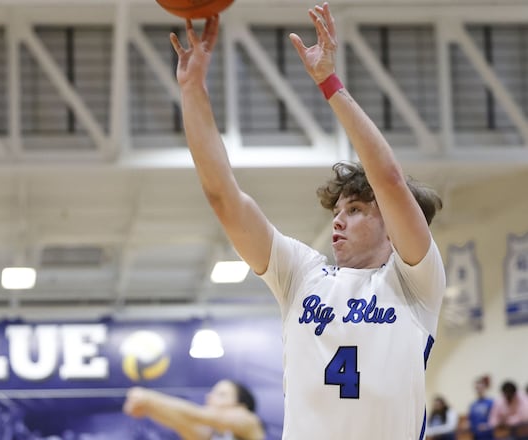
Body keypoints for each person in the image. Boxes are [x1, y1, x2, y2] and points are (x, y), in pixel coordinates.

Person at [167, 2, 444, 438]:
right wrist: (192, 89)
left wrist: (329, 83)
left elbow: (388, 180)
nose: (338, 222)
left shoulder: (416, 283)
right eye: (337, 212)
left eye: (355, 210)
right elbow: (224, 198)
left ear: (391, 224)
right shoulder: (301, 274)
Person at [123, 379, 265, 440]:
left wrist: (148, 397)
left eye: (221, 395)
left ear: (241, 406)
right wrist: (149, 408)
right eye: (212, 392)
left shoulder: (249, 422)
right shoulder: (213, 435)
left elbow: (196, 415)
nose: (210, 397)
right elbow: (180, 422)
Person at [468, 375, 495, 440]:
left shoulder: (491, 402)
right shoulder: (473, 405)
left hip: (489, 436)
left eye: (481, 388)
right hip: (476, 436)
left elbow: (495, 420)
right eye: (477, 388)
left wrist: (487, 426)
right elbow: (470, 420)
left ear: (485, 388)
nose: (479, 390)